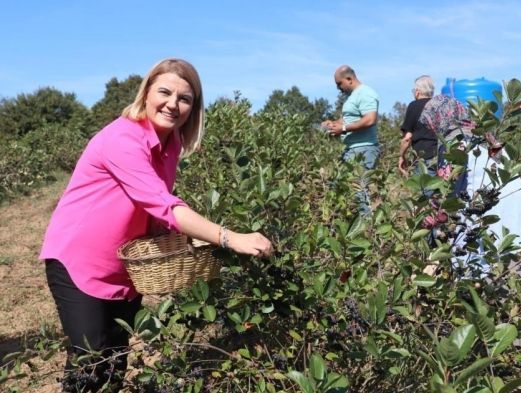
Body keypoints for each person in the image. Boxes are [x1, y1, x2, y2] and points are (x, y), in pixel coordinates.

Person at [39, 58, 273, 391]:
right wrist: (229, 237)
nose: (173, 104)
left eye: (185, 99)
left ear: (194, 107)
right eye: (164, 92)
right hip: (80, 264)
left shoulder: (170, 143)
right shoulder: (122, 138)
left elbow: (154, 204)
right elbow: (164, 204)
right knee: (89, 367)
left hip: (128, 267)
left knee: (114, 366)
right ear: (146, 93)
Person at [321, 65, 380, 216]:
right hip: (351, 149)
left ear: (349, 79)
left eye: (339, 83)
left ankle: (368, 230)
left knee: (359, 191)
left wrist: (344, 129)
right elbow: (346, 120)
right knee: (337, 186)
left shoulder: (366, 93)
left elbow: (370, 119)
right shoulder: (350, 97)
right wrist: (333, 125)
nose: (338, 88)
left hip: (364, 149)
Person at [398, 75, 437, 178]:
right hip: (441, 156)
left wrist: (401, 156)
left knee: (424, 191)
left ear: (417, 91)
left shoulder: (414, 106)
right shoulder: (439, 105)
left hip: (423, 158)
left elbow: (407, 138)